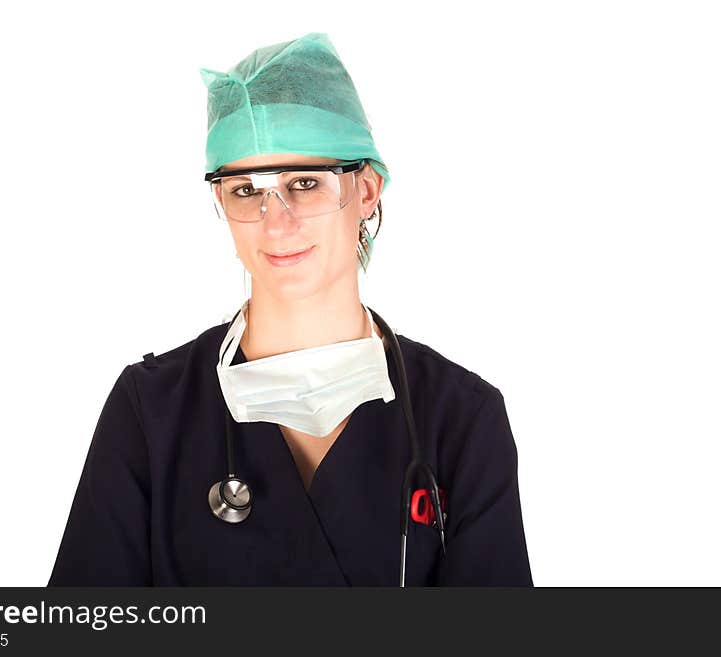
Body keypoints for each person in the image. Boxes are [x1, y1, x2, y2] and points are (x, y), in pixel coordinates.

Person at [48, 32, 533, 586]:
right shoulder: (151, 413)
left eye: (305, 183)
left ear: (368, 188)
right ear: (219, 202)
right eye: (245, 190)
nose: (276, 222)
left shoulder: (460, 420)